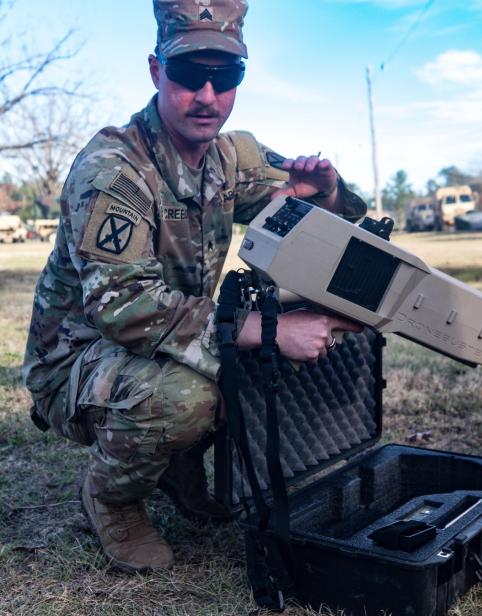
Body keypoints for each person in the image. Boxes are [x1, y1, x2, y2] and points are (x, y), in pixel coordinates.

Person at [22, 0, 366, 573]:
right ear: (157, 71)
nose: (207, 95)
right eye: (188, 75)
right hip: (75, 360)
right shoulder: (113, 171)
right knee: (189, 395)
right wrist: (268, 331)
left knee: (246, 357)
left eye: (226, 76)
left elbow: (309, 216)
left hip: (163, 339)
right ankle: (112, 499)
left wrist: (326, 194)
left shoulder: (235, 156)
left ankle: (177, 470)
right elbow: (123, 308)